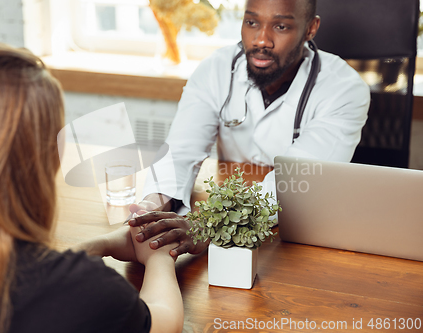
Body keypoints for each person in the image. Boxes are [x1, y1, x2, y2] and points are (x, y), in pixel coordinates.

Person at [0, 43, 183, 333]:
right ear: (41, 163)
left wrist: (102, 244)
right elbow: (163, 321)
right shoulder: (81, 290)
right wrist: (159, 255)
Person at [128, 0, 370, 257]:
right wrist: (153, 204)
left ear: (311, 29)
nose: (261, 40)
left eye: (280, 26)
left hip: (299, 236)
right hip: (228, 216)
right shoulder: (216, 69)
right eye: (251, 22)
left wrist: (208, 226)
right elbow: (180, 151)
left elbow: (296, 180)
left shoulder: (344, 89)